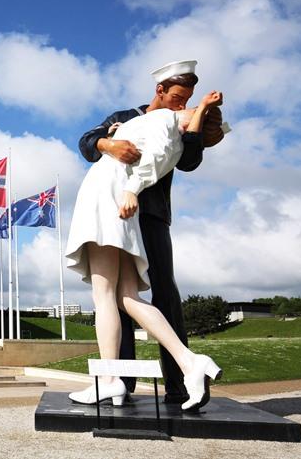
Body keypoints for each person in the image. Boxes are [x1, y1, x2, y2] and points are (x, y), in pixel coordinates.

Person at [66, 91, 224, 412]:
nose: (186, 106)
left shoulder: (167, 122)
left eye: (191, 105)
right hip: (122, 204)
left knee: (106, 295)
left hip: (111, 201)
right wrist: (110, 140)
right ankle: (184, 363)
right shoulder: (148, 121)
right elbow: (89, 141)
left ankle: (116, 381)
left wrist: (130, 188)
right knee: (126, 297)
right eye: (185, 101)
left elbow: (158, 157)